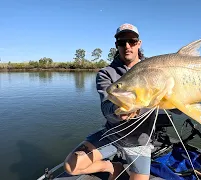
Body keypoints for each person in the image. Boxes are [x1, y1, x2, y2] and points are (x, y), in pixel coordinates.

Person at [64, 23, 159, 180]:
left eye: (132, 41)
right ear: (117, 45)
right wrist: (117, 110)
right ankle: (111, 166)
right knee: (71, 166)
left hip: (140, 141)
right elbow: (106, 106)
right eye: (122, 42)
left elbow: (173, 108)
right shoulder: (106, 73)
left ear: (139, 44)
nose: (127, 46)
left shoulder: (154, 70)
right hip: (112, 134)